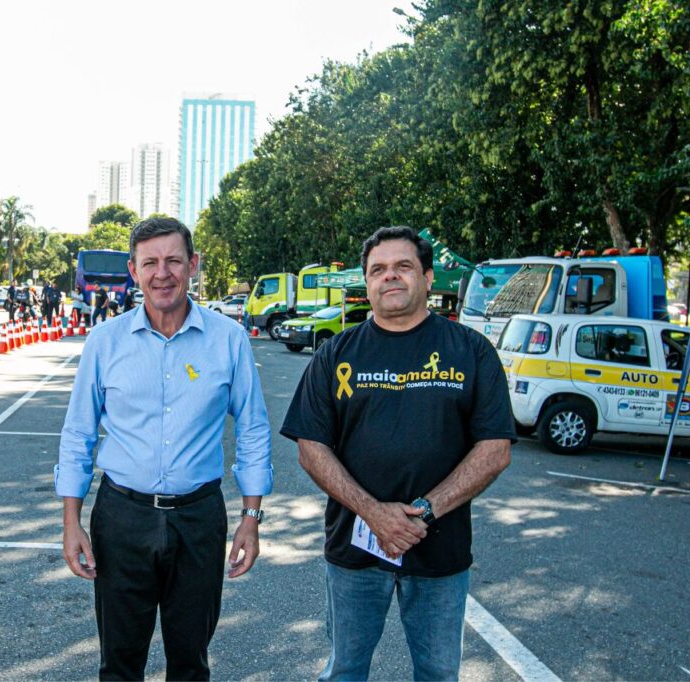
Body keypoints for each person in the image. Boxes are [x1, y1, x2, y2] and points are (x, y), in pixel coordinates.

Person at [280, 226, 514, 681]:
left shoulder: (471, 351)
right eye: (378, 270)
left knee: (438, 674)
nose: (390, 277)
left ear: (428, 278)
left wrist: (423, 513)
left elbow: (495, 449)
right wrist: (373, 513)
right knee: (345, 669)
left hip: (439, 551)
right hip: (354, 546)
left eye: (403, 267)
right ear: (366, 283)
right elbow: (311, 447)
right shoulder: (336, 352)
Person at [56, 216, 273, 681]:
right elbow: (79, 434)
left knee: (191, 663)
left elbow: (253, 430)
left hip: (199, 520)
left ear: (192, 265)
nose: (163, 273)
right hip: (121, 518)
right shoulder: (105, 341)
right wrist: (71, 521)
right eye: (150, 262)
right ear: (133, 271)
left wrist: (251, 520)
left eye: (174, 260)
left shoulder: (228, 339)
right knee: (119, 663)